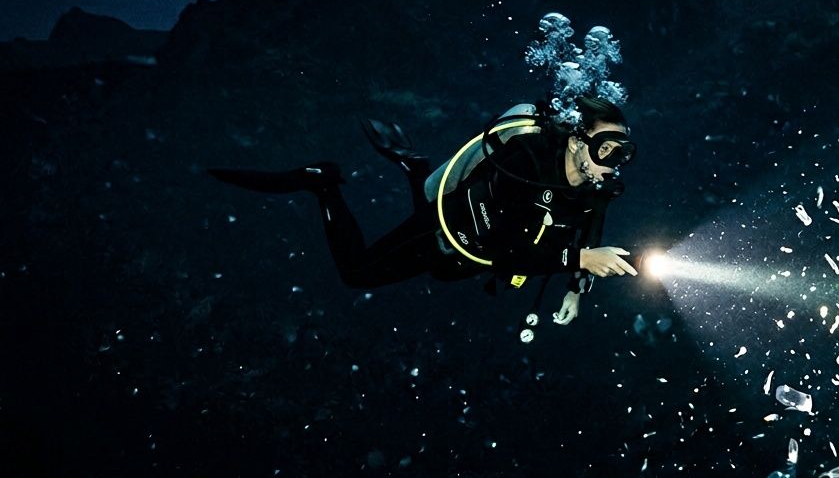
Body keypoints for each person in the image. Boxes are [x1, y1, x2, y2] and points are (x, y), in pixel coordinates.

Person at [209, 95, 638, 325]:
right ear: (579, 140)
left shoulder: (596, 187)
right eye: (606, 149)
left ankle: (414, 167)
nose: (611, 164)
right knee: (356, 273)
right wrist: (579, 260)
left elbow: (591, 232)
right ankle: (323, 183)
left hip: (471, 258)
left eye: (622, 155)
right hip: (446, 231)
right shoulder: (526, 160)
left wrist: (576, 289)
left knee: (443, 269)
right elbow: (512, 251)